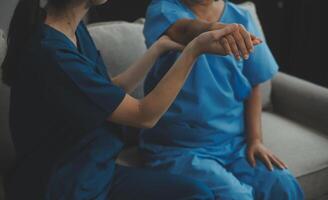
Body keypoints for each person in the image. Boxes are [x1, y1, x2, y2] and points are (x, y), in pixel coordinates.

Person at [1, 0, 256, 199]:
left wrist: (157, 49)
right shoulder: (52, 54)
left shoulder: (72, 28)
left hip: (96, 171)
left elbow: (108, 89)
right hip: (64, 187)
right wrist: (194, 50)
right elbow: (144, 115)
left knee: (196, 193)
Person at [140, 0, 305, 199]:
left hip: (234, 143)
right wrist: (217, 30)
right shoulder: (163, 10)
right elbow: (184, 31)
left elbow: (254, 83)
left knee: (283, 184)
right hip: (178, 148)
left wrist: (255, 140)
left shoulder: (242, 18)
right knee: (235, 195)